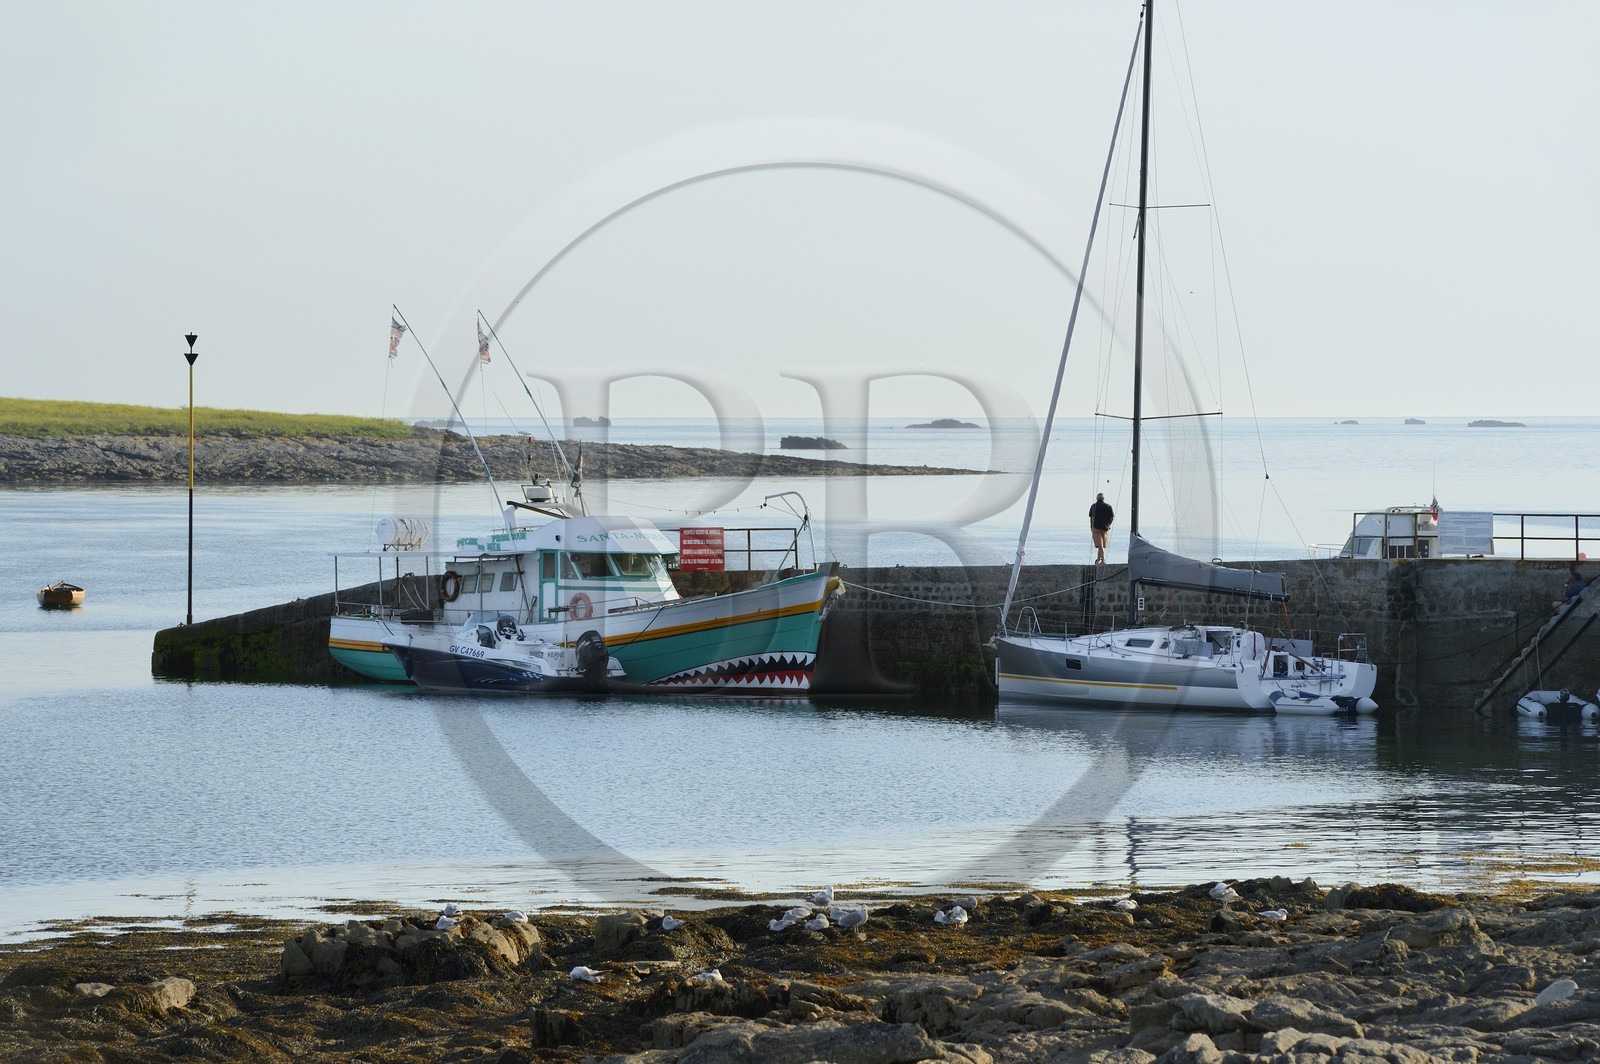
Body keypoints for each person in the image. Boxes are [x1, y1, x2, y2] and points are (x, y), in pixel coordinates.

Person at [1089, 492, 1114, 565]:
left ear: (1097, 498)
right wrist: (1108, 525)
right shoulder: (1108, 506)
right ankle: (1098, 558)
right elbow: (1111, 518)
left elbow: (1092, 518)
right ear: (1103, 498)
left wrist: (1091, 527)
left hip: (1096, 528)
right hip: (1105, 528)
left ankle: (1102, 560)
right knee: (1102, 545)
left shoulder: (1094, 506)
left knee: (1100, 546)